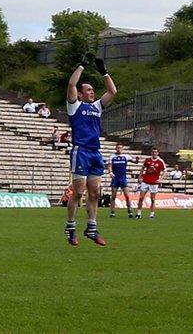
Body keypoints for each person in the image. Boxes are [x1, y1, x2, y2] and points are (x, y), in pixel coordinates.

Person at [64, 52, 117, 246]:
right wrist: (82, 65)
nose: (92, 92)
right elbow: (71, 85)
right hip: (81, 151)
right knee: (78, 193)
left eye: (93, 90)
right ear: (80, 93)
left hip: (95, 152)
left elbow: (112, 92)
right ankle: (70, 227)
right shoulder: (74, 106)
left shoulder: (97, 107)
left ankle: (91, 228)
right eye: (88, 89)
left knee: (94, 193)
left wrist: (104, 72)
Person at [107, 144, 138, 219]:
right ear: (115, 148)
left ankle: (130, 211)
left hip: (123, 179)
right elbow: (109, 166)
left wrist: (137, 160)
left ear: (122, 149)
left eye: (120, 148)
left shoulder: (126, 156)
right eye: (117, 148)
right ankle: (112, 212)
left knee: (127, 196)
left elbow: (134, 162)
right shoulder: (112, 157)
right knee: (113, 196)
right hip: (115, 178)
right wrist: (110, 172)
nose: (119, 149)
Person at [135, 147, 166, 219]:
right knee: (141, 198)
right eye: (153, 152)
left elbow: (165, 171)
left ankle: (152, 214)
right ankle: (138, 213)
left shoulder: (160, 161)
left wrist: (160, 179)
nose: (154, 153)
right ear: (151, 153)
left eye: (155, 152)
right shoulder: (147, 160)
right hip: (145, 181)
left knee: (152, 199)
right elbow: (143, 168)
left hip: (154, 182)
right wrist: (140, 177)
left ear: (157, 153)